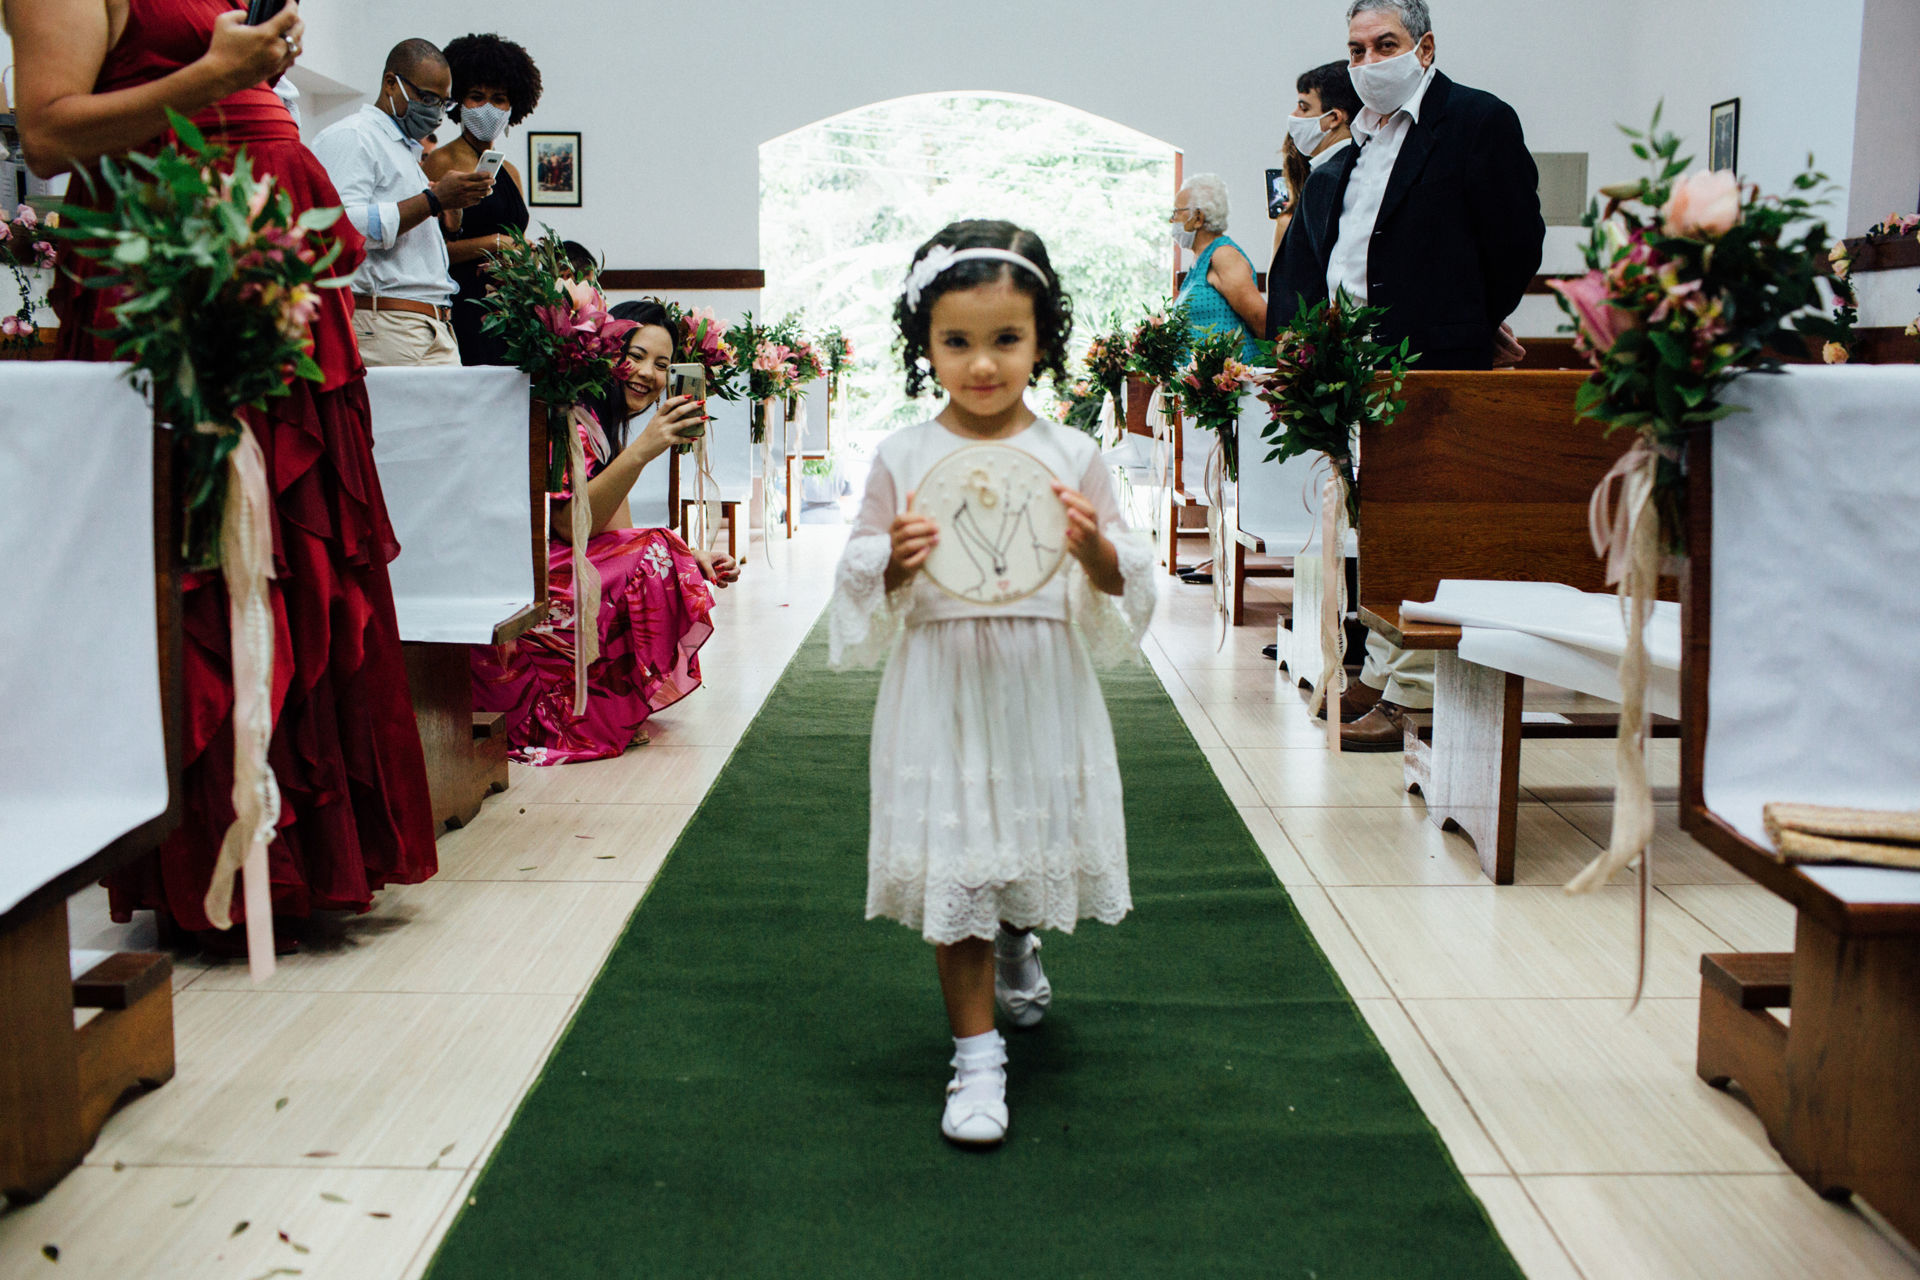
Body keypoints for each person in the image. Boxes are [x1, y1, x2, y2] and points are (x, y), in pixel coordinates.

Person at [13, 0, 436, 951]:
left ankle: (312, 853)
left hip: (274, 240)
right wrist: (216, 75)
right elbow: (44, 133)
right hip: (177, 248)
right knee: (205, 550)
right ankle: (224, 857)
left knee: (302, 550)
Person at [829, 220, 1156, 1147]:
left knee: (1017, 836)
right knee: (961, 854)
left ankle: (1017, 938)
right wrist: (888, 561)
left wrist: (1094, 546)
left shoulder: (1073, 452)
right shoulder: (901, 454)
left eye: (1005, 340)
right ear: (923, 344)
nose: (982, 364)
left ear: (1041, 340)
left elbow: (1121, 577)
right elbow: (861, 574)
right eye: (958, 342)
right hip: (943, 682)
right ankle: (976, 1062)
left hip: (1037, 683)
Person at [1267, 0, 1545, 748]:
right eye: (1354, 50)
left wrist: (1469, 325)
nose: (1366, 62)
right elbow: (1332, 257)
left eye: (1383, 45)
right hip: (1355, 372)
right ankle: (1380, 668)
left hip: (1430, 368)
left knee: (1423, 529)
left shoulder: (1476, 122)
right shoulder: (1351, 152)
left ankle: (1414, 694)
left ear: (1423, 48)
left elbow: (1516, 238)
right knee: (1376, 526)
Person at [471, 300, 739, 765]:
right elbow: (567, 525)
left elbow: (617, 535)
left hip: (546, 565)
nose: (647, 374)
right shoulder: (566, 415)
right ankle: (569, 717)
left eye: (662, 365)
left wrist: (688, 556)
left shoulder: (599, 424)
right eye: (634, 356)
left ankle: (598, 709)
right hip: (516, 576)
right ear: (604, 350)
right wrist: (644, 450)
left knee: (660, 554)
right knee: (656, 554)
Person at [311, 39, 495, 368]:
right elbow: (338, 229)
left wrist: (446, 212)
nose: (437, 112)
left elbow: (405, 238)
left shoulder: (402, 148)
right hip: (386, 322)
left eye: (444, 102)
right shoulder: (354, 136)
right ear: (390, 84)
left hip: (431, 324)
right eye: (427, 98)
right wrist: (432, 199)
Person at [426, 32, 540, 366]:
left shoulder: (512, 172)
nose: (488, 107)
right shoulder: (439, 162)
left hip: (511, 307)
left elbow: (514, 239)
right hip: (464, 306)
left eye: (499, 98)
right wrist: (495, 243)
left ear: (513, 105)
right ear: (458, 100)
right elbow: (431, 251)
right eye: (477, 96)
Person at [1270, 61, 1359, 260]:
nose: (1293, 116)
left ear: (1334, 118)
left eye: (1304, 107)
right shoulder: (1356, 163)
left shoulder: (1326, 177)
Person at [1170, 173, 1264, 362]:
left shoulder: (1223, 256)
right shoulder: (1199, 262)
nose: (1172, 220)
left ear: (1198, 217)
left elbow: (1260, 319)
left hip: (1230, 386)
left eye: (1176, 213)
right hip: (1202, 386)